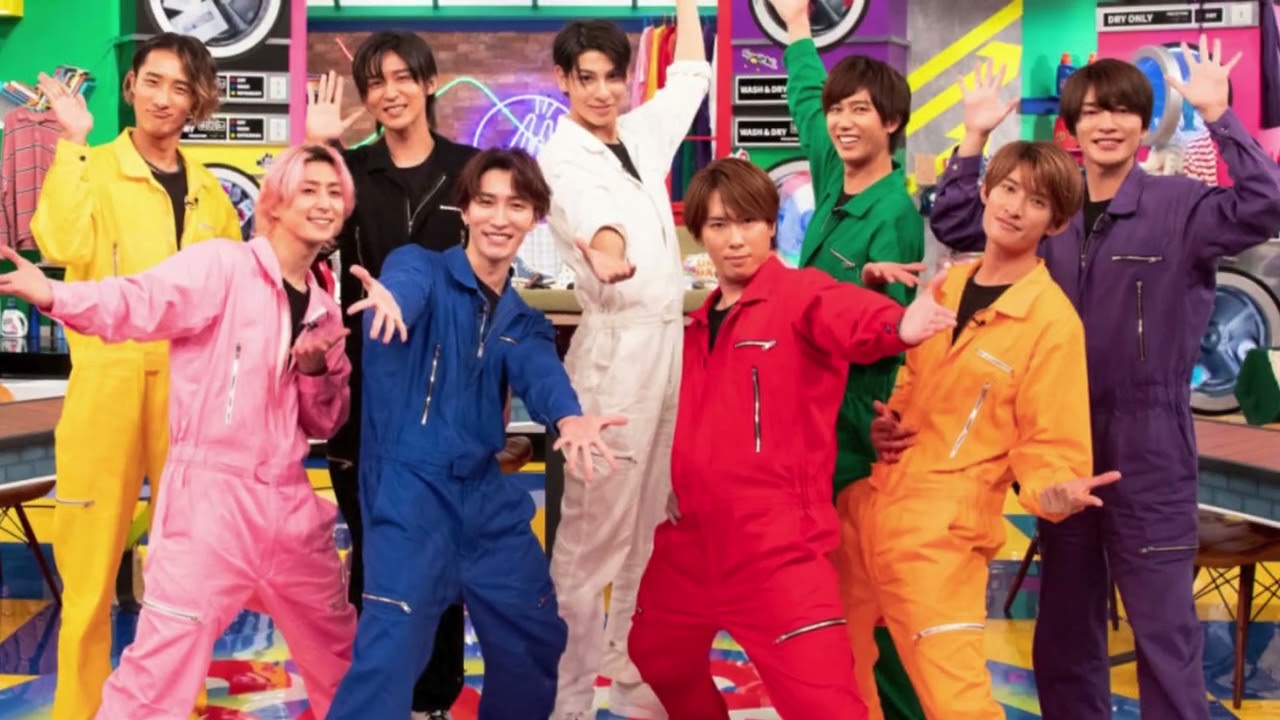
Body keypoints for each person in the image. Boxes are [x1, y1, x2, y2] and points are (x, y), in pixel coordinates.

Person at [928, 39, 1280, 720]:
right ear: (1073, 125)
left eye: (1121, 111)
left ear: (1144, 124)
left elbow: (1265, 206)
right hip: (1058, 439)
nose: (1107, 123)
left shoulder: (1181, 206)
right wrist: (972, 138)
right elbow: (954, 219)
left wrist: (1220, 116)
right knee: (1066, 628)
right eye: (1091, 112)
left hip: (1150, 443)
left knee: (1164, 631)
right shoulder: (1049, 207)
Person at [1, 144, 361, 719]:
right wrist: (56, 295)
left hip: (290, 505)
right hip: (209, 505)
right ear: (275, 201)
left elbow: (322, 421)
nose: (324, 203)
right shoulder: (222, 266)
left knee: (343, 659)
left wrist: (318, 371)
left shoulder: (324, 308)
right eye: (309, 189)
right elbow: (138, 300)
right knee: (158, 675)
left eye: (334, 192)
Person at [627, 157, 957, 718]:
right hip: (692, 541)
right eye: (719, 225)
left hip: (777, 549)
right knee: (655, 653)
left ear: (771, 225)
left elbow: (847, 314)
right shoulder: (698, 327)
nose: (736, 240)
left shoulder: (800, 295)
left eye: (749, 222)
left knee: (827, 707)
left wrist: (897, 326)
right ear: (700, 235)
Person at [326, 148, 624, 720]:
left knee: (534, 635)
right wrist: (393, 300)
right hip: (410, 498)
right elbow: (406, 286)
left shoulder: (522, 320)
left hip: (486, 499)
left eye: (517, 205)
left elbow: (542, 374)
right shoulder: (420, 269)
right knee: (388, 659)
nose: (499, 218)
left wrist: (569, 418)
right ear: (464, 210)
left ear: (534, 218)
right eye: (486, 202)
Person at [849, 141, 1123, 720]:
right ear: (985, 191)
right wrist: (888, 421)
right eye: (1008, 189)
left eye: (1037, 202)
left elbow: (1051, 443)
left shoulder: (1051, 323)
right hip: (871, 505)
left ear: (1057, 222)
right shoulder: (949, 284)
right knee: (837, 678)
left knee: (957, 703)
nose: (1016, 208)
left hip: (940, 537)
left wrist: (1054, 492)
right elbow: (912, 378)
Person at [28, 32, 241, 720]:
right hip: (108, 385)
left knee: (188, 572)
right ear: (131, 87)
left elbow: (232, 294)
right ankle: (78, 709)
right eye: (153, 81)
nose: (163, 98)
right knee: (89, 576)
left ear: (198, 101)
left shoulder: (209, 190)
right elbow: (60, 243)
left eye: (181, 88)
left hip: (190, 396)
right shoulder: (92, 164)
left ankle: (177, 705)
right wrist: (71, 141)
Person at [537, 1, 710, 715]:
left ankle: (633, 676)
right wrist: (606, 251)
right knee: (591, 540)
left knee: (650, 530)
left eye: (613, 77)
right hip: (614, 357)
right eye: (587, 78)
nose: (602, 91)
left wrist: (689, 6)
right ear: (563, 81)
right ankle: (566, 696)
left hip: (669, 350)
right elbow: (593, 218)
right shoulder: (561, 157)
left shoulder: (638, 134)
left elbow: (692, 77)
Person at [305, 30, 479, 719]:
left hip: (449, 398)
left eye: (404, 77)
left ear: (430, 82)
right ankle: (382, 698)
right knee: (374, 555)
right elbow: (297, 238)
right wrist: (317, 151)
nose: (391, 92)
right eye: (376, 82)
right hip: (364, 398)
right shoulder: (347, 174)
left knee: (441, 554)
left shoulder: (469, 172)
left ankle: (434, 700)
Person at [767, 2, 926, 715]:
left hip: (856, 425)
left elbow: (891, 335)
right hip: (810, 414)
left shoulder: (895, 215)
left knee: (866, 592)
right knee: (822, 588)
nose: (841, 121)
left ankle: (897, 708)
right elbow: (807, 98)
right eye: (840, 110)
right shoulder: (832, 173)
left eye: (860, 110)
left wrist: (861, 286)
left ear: (891, 122)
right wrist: (799, 29)